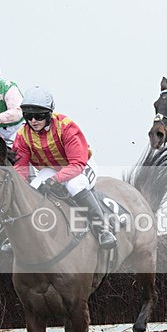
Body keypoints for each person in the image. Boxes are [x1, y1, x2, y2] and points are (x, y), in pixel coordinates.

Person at [12, 86, 117, 249]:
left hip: (81, 166)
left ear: (49, 114)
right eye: (28, 116)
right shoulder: (22, 135)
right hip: (52, 169)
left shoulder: (66, 127)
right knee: (31, 189)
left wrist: (55, 180)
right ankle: (19, 235)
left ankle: (103, 229)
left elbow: (77, 163)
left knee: (74, 185)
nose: (33, 121)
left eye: (38, 116)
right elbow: (21, 170)